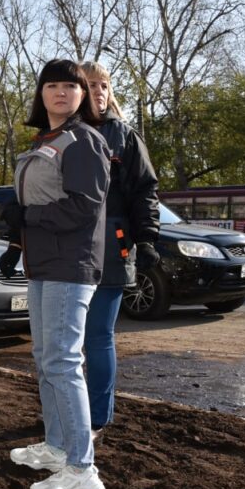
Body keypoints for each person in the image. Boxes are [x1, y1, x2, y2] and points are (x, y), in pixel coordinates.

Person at [2, 58, 110, 489]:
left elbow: (84, 207)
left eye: (71, 85)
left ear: (83, 95)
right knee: (46, 358)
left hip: (71, 264)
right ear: (41, 94)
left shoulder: (84, 141)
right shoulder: (46, 140)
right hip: (43, 264)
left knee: (63, 362)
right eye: (52, 85)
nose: (61, 92)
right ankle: (57, 446)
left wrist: (29, 217)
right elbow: (36, 200)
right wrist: (17, 241)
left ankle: (82, 468)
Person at [79, 61, 160, 439]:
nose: (98, 91)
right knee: (63, 344)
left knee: (98, 336)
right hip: (65, 250)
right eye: (90, 84)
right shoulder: (59, 133)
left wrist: (147, 239)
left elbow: (145, 190)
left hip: (112, 247)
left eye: (104, 85)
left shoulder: (124, 136)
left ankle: (96, 418)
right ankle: (67, 412)